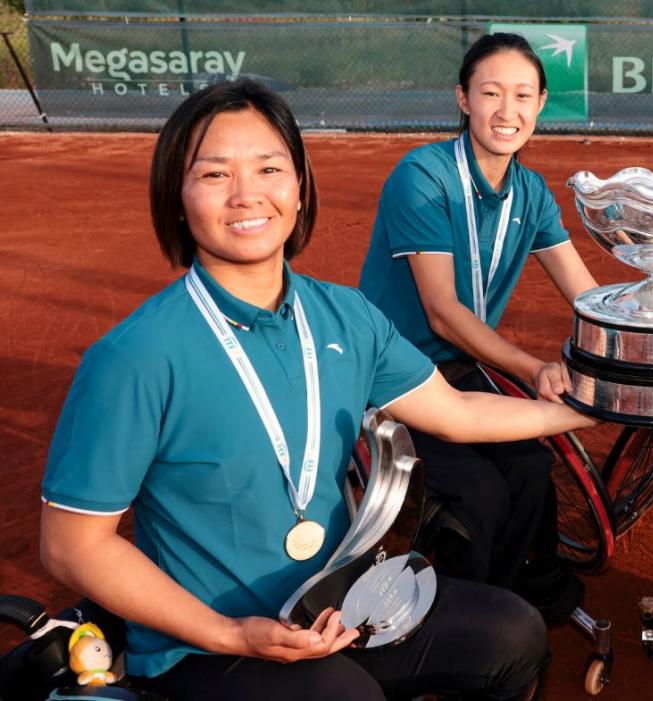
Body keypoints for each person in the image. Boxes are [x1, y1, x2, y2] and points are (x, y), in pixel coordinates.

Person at [39, 79, 598, 701]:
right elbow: (72, 547)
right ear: (176, 198)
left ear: (300, 188)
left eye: (270, 167)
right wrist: (231, 634)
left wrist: (590, 409)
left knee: (512, 634)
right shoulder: (136, 355)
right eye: (215, 174)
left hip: (337, 606)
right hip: (204, 641)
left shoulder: (345, 317)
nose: (247, 194)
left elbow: (456, 412)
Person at [357, 33, 597, 601]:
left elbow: (586, 295)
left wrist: (647, 344)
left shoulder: (531, 192)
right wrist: (533, 367)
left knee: (533, 473)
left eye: (522, 95)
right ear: (463, 99)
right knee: (480, 493)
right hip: (389, 377)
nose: (506, 111)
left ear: (541, 104)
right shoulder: (424, 176)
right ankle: (457, 618)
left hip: (458, 371)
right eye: (491, 93)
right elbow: (441, 313)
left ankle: (506, 599)